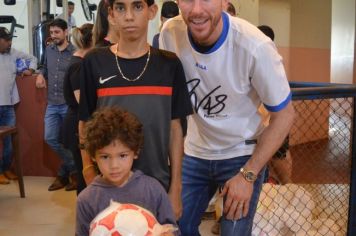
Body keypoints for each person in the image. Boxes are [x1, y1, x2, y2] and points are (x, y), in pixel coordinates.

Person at [159, 0, 295, 235]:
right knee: (174, 226)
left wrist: (248, 176)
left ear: (224, 2)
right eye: (189, 0)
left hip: (241, 155)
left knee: (233, 232)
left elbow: (284, 116)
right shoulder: (171, 33)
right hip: (196, 150)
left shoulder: (255, 46)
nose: (197, 10)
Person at [78, 0, 192, 219]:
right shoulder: (94, 62)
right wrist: (88, 171)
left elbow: (176, 128)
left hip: (158, 184)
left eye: (137, 6)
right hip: (108, 184)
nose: (129, 16)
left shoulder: (169, 65)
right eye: (121, 8)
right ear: (111, 14)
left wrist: (176, 187)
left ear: (152, 11)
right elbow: (85, 122)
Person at [76, 107, 178, 235]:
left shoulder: (153, 190)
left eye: (122, 155)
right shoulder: (86, 199)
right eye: (105, 157)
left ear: (135, 152)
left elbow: (171, 229)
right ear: (93, 156)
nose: (114, 166)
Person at [36, 18, 77, 191]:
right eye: (51, 33)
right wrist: (40, 74)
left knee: (70, 141)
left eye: (57, 32)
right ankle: (74, 170)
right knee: (50, 138)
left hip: (69, 104)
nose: (53, 36)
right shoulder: (48, 49)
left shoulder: (75, 52)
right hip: (52, 103)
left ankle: (63, 176)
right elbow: (45, 67)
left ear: (66, 32)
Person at [0, 27, 37, 184]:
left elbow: (33, 58)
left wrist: (30, 69)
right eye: (6, 40)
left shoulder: (13, 53)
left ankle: (5, 169)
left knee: (9, 143)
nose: (9, 43)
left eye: (10, 40)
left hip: (8, 106)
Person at [258, 24, 292, 184]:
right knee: (271, 155)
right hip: (261, 118)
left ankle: (288, 185)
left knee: (279, 154)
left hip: (274, 117)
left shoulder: (271, 58)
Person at [62, 23, 94, 194]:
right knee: (85, 176)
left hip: (79, 122)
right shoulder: (78, 66)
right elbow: (81, 100)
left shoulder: (81, 63)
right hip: (77, 124)